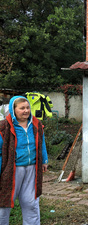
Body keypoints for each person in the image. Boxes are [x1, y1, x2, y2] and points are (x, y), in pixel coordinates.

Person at [0, 96, 48, 225]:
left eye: (27, 108)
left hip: (32, 168)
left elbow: (41, 143)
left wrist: (44, 160)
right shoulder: (4, 127)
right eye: (22, 108)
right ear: (13, 110)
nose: (26, 111)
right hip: (11, 170)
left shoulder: (36, 124)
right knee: (4, 203)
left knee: (30, 202)